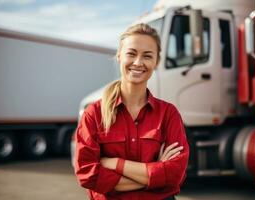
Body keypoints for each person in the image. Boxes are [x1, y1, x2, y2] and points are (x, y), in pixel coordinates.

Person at [74, 23, 189, 200]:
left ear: (156, 62)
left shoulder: (168, 114)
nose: (138, 62)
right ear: (119, 56)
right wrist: (157, 171)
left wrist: (115, 164)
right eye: (131, 53)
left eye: (147, 56)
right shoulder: (94, 114)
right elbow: (88, 174)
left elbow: (175, 175)